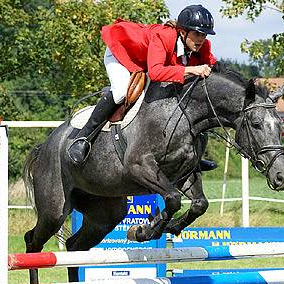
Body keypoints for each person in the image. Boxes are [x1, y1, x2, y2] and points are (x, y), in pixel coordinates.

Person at [68, 4, 218, 170]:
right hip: (121, 53)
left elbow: (215, 67)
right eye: (197, 33)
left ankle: (193, 155)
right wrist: (190, 69)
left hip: (146, 62)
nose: (201, 39)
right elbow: (155, 72)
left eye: (204, 35)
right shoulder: (164, 36)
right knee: (120, 92)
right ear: (183, 32)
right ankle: (82, 139)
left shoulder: (202, 45)